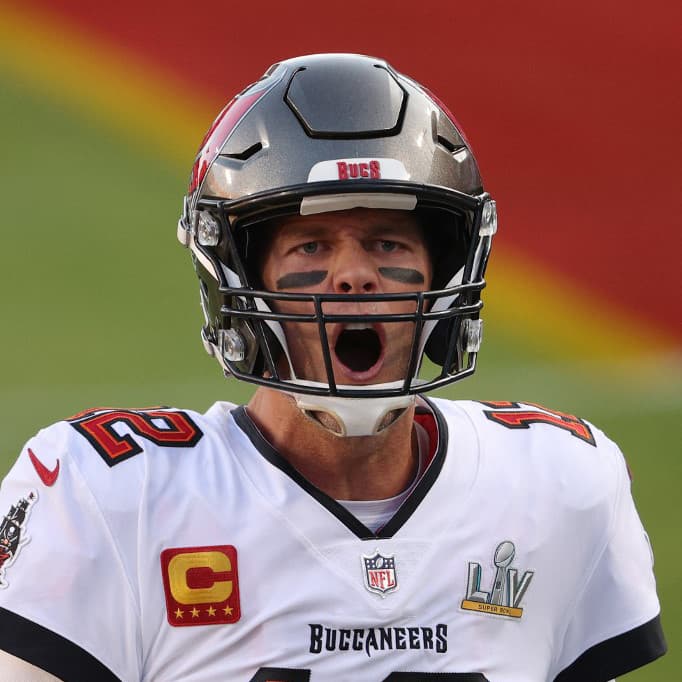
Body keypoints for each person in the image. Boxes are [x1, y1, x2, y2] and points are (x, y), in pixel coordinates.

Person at [0, 53, 666, 682]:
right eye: (311, 244)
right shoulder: (107, 497)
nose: (353, 275)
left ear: (447, 273)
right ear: (240, 277)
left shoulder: (560, 486)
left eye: (388, 242)